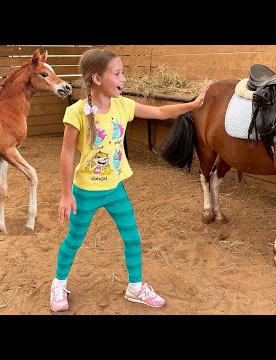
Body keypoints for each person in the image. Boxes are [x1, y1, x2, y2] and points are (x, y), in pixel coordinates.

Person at [49, 48, 210, 312]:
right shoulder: (77, 112)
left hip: (115, 189)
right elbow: (66, 155)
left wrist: (192, 105)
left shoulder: (123, 106)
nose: (124, 78)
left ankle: (135, 287)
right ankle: (58, 283)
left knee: (132, 238)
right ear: (97, 79)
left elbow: (160, 112)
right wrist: (66, 194)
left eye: (123, 72)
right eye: (118, 73)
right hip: (85, 192)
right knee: (74, 240)